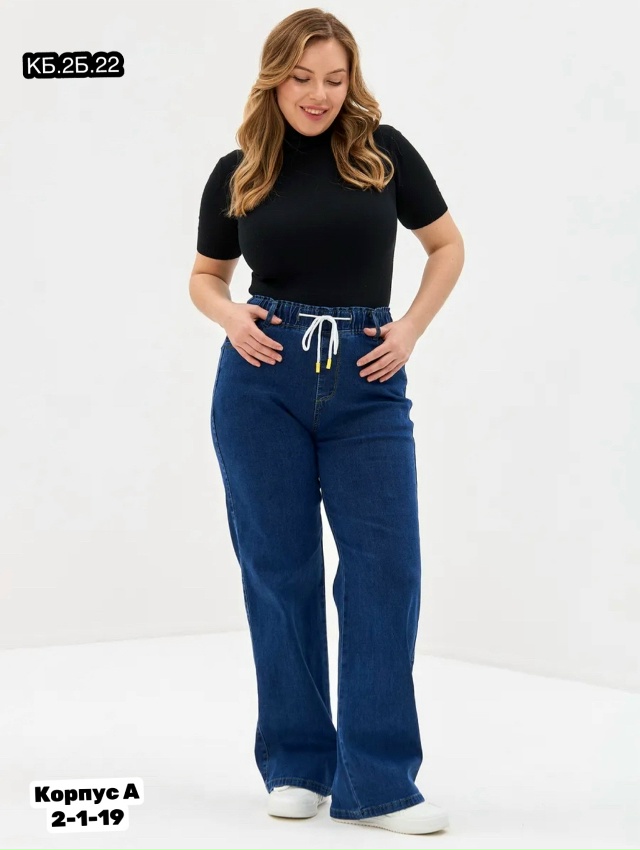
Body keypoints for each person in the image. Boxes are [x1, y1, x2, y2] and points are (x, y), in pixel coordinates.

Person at [189, 8, 464, 837]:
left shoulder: (383, 153)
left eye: (335, 79)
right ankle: (298, 764)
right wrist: (230, 317)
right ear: (274, 79)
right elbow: (205, 276)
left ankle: (379, 782)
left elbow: (447, 246)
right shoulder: (238, 171)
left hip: (368, 380)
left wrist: (408, 330)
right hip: (260, 380)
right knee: (280, 570)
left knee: (386, 570)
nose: (318, 94)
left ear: (353, 81)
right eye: (302, 78)